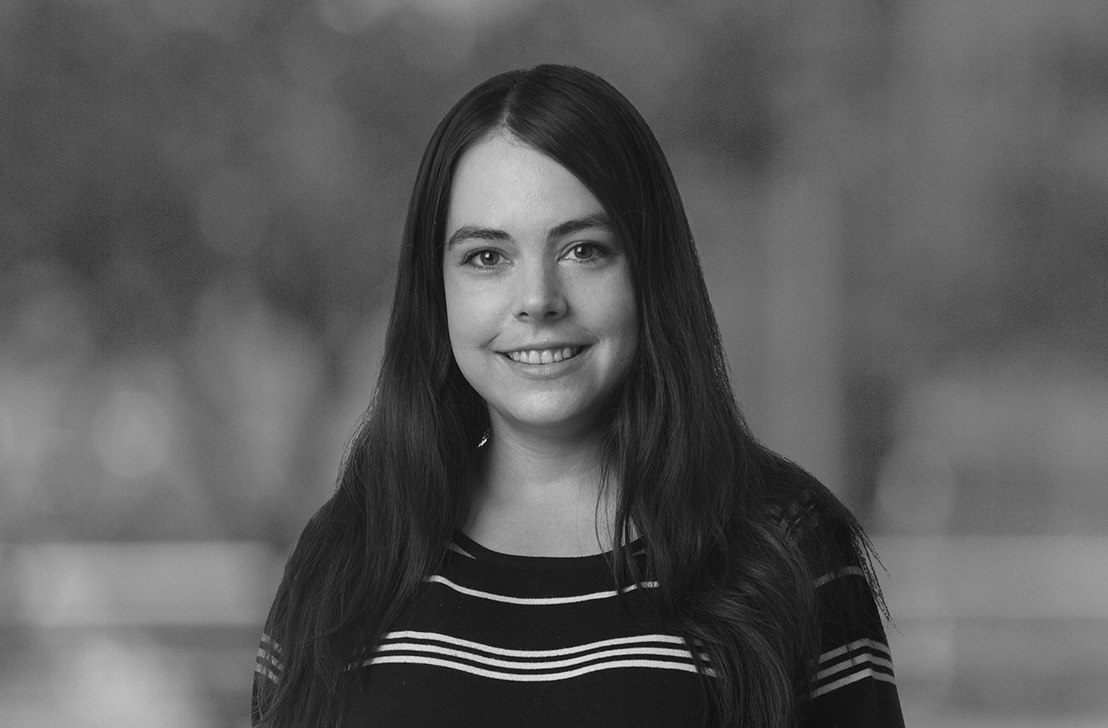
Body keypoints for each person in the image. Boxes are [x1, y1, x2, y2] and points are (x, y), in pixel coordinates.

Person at [252, 64, 904, 727]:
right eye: (487, 257)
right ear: (435, 289)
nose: (538, 300)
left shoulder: (785, 544)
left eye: (583, 250)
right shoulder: (347, 558)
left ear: (649, 270)